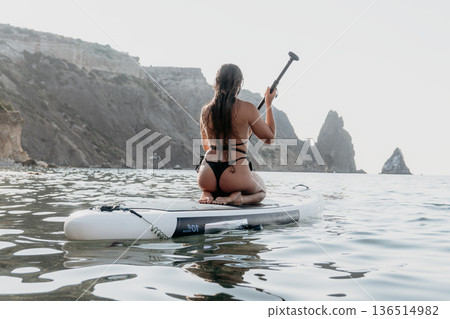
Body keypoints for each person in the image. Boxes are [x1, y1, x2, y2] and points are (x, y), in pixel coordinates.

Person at [196, 63, 277, 205]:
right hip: (234, 173)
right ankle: (238, 197)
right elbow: (269, 139)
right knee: (261, 190)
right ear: (239, 83)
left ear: (217, 82)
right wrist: (268, 103)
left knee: (217, 184)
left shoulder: (206, 111)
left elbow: (206, 146)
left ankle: (207, 193)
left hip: (207, 173)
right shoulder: (248, 108)